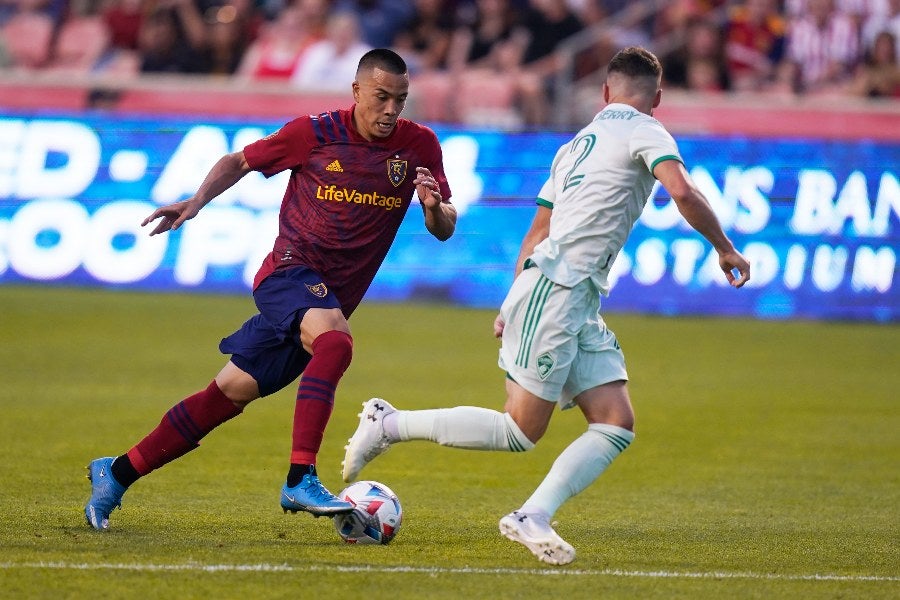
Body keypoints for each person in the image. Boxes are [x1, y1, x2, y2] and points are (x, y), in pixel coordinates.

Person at [341, 46, 750, 566]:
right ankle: (388, 423)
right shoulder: (648, 130)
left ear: (604, 93)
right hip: (558, 291)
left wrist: (513, 297)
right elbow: (684, 192)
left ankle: (532, 515)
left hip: (570, 297)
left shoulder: (575, 146)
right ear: (657, 98)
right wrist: (724, 246)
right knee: (519, 430)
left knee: (614, 422)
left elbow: (537, 231)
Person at [84, 48, 457, 531]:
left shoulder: (420, 146)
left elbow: (445, 225)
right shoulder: (314, 132)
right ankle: (300, 477)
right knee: (335, 342)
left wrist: (431, 208)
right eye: (381, 97)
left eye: (400, 100)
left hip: (327, 297)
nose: (390, 110)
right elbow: (239, 160)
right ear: (357, 91)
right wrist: (196, 202)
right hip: (289, 273)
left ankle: (115, 473)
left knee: (226, 395)